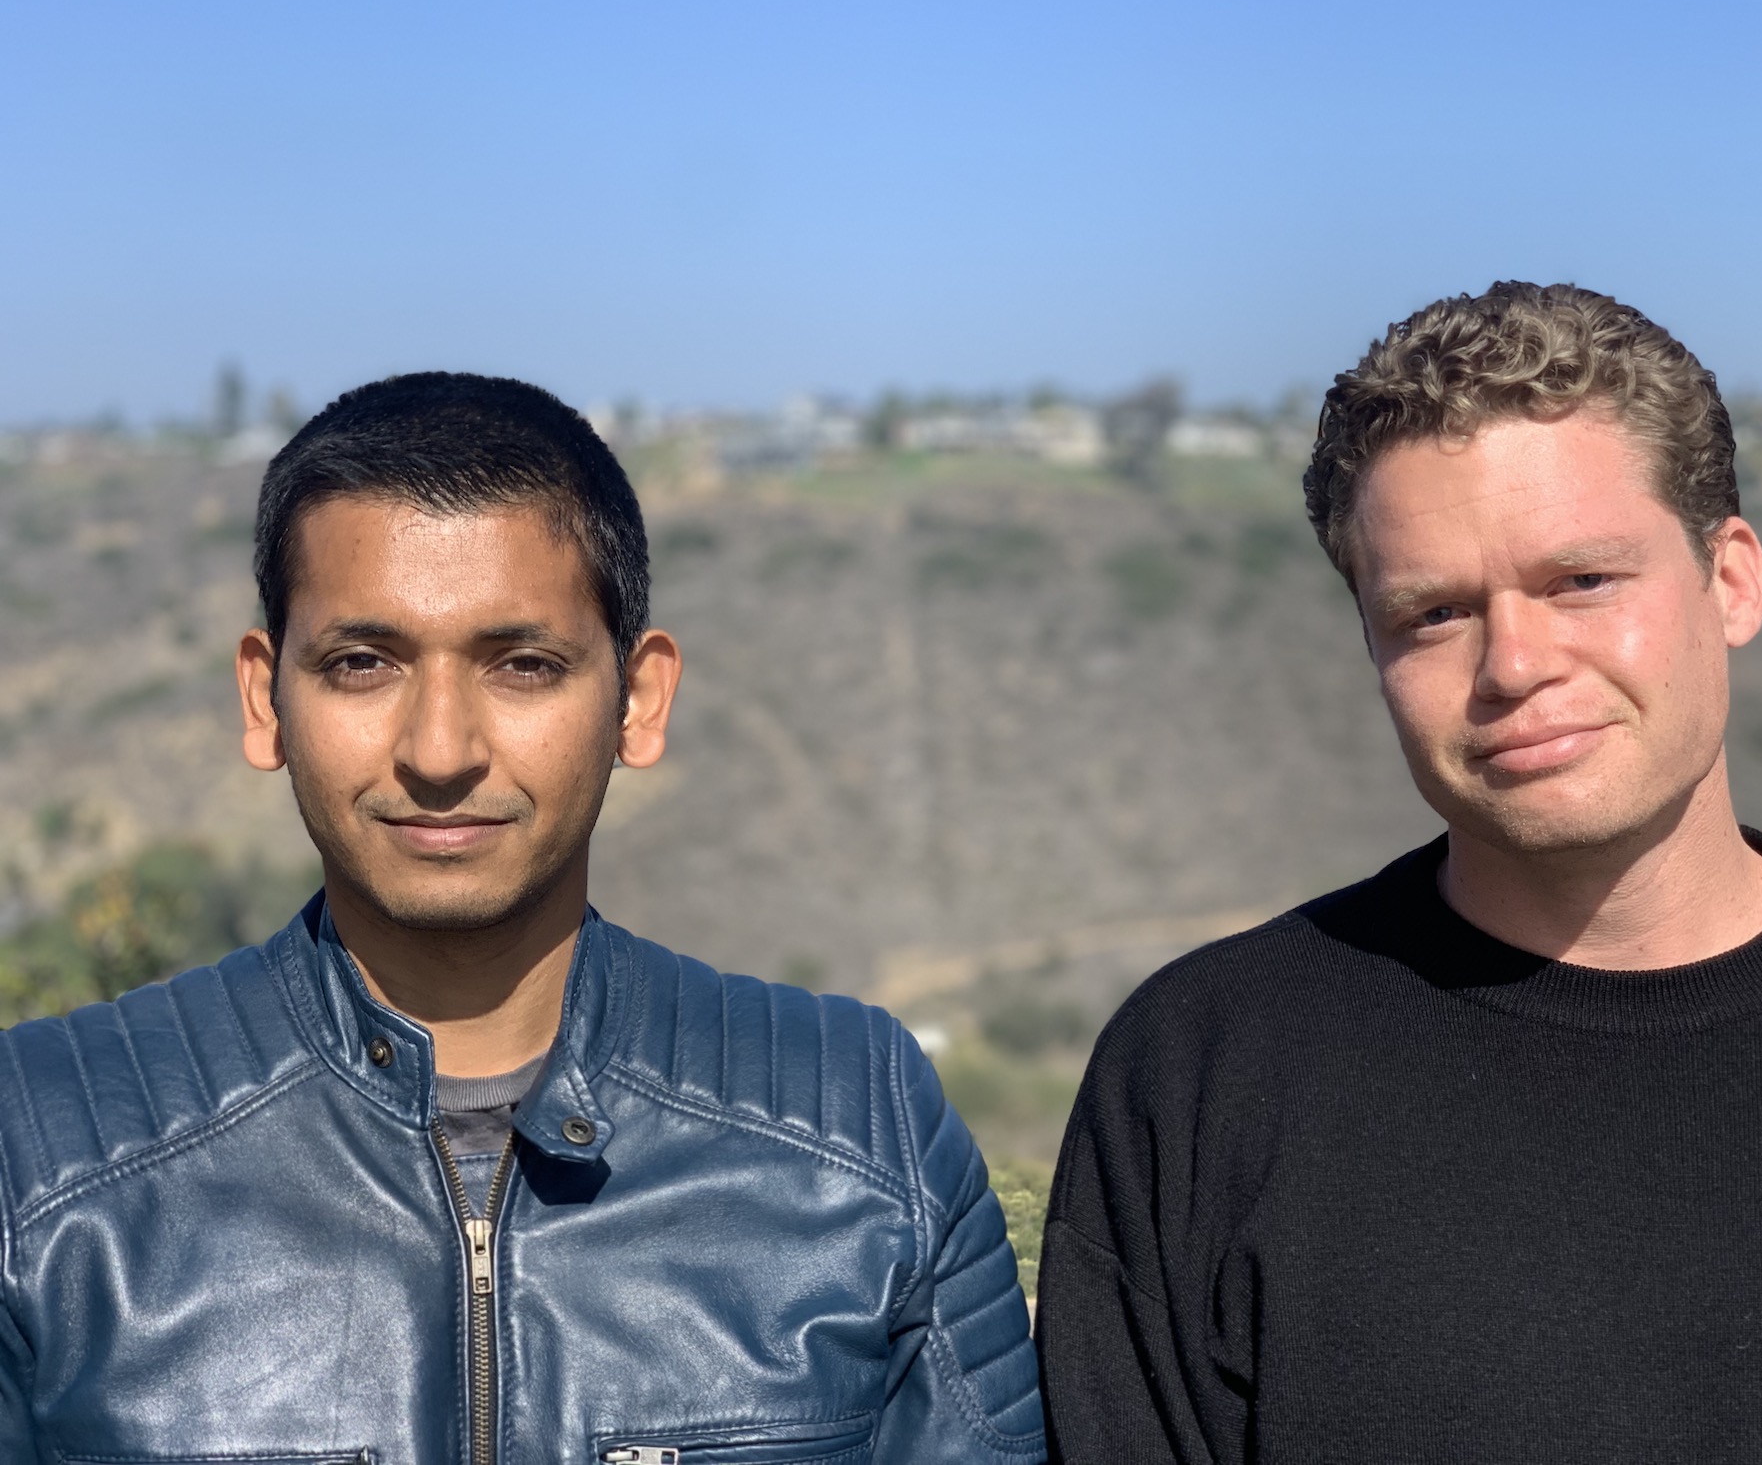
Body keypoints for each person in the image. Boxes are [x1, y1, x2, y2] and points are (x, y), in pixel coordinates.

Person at [1035, 282, 1762, 1462]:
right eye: (1434, 612)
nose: (1513, 663)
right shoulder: (1199, 1078)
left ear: (1730, 581)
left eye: (1580, 581)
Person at [0, 373, 1045, 1462]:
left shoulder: (857, 1136)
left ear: (637, 702)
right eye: (363, 664)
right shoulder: (41, 1160)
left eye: (523, 666)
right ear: (266, 700)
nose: (440, 751)